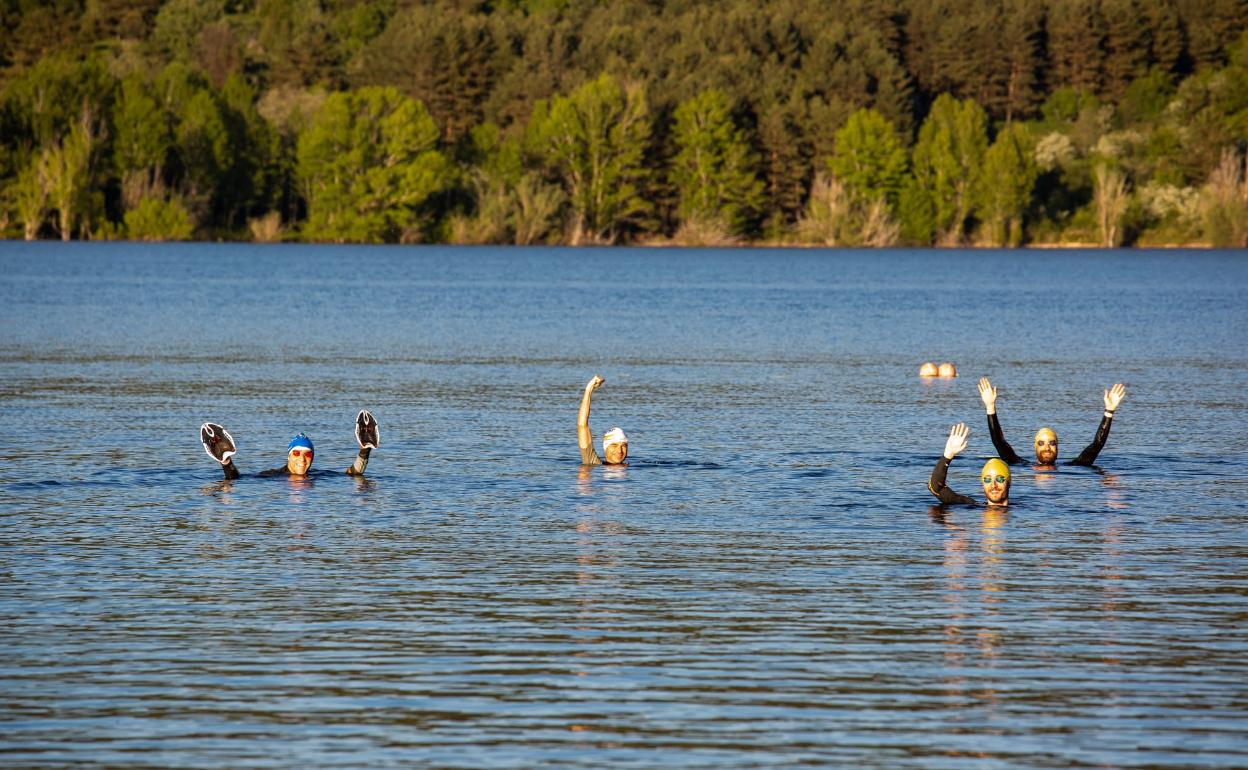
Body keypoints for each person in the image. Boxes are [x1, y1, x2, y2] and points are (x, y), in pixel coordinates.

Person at [977, 377, 1125, 466]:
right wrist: (990, 407)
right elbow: (998, 441)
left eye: (1052, 443)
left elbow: (1096, 445)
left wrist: (1109, 411)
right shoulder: (1020, 464)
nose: (1047, 447)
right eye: (1041, 443)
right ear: (1034, 447)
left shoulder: (1074, 467)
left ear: (1058, 447)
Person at [200, 410, 380, 480]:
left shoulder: (319, 476)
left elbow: (354, 474)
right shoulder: (272, 476)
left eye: (307, 454)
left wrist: (364, 450)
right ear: (288, 456)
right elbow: (237, 480)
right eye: (297, 454)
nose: (302, 459)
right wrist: (226, 462)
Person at [928, 422, 1011, 507]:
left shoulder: (1023, 510)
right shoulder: (971, 505)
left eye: (1000, 479)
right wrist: (948, 454)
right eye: (987, 480)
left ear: (1009, 483)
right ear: (983, 484)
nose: (993, 485)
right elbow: (936, 488)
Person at [577, 375, 628, 466]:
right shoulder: (593, 462)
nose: (620, 451)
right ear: (606, 447)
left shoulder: (634, 467)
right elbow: (582, 425)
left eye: (623, 446)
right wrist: (589, 388)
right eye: (614, 445)